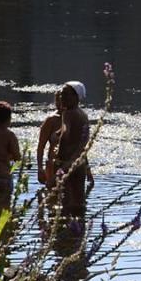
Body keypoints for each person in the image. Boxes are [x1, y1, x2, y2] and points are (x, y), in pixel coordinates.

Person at [49, 81, 94, 219]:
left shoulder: (70, 114)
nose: (62, 97)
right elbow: (82, 141)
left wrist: (64, 163)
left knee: (65, 204)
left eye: (66, 94)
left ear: (76, 97)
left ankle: (66, 235)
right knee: (78, 202)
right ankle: (77, 235)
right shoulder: (80, 114)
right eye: (61, 94)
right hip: (77, 163)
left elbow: (70, 136)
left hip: (67, 163)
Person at [35, 88, 64, 187]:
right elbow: (41, 146)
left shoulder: (75, 118)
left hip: (71, 165)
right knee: (52, 197)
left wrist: (88, 170)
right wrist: (40, 169)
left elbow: (81, 146)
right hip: (53, 166)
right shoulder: (51, 120)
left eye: (62, 100)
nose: (60, 103)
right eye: (57, 100)